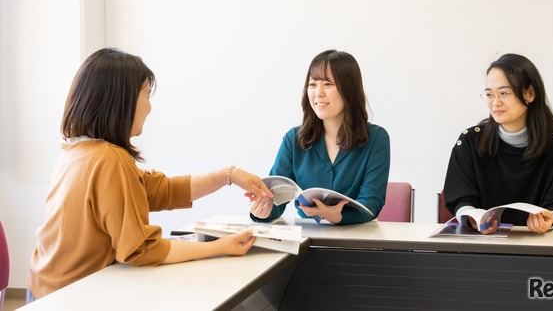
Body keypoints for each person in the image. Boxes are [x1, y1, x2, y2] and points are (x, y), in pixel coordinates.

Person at [28, 48, 273, 300]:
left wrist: (227, 175)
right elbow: (140, 249)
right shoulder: (110, 159)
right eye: (146, 95)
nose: (149, 107)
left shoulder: (78, 150)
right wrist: (219, 247)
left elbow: (159, 190)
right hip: (68, 298)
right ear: (121, 102)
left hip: (43, 290)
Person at [443, 53, 553, 234]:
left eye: (504, 93)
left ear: (530, 93)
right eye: (489, 94)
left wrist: (551, 220)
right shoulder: (470, 141)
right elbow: (460, 197)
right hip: (483, 246)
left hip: (538, 247)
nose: (495, 103)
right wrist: (471, 217)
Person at [249, 50, 390, 225]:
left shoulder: (376, 138)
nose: (318, 93)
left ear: (349, 89)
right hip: (307, 241)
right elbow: (277, 198)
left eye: (328, 84)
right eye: (313, 84)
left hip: (358, 239)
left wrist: (337, 216)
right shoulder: (293, 139)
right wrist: (263, 211)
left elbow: (371, 203)